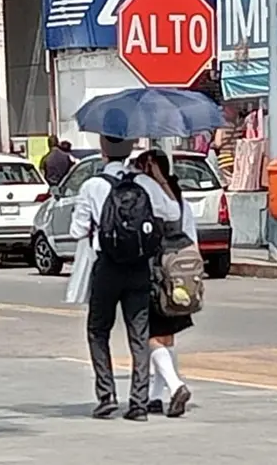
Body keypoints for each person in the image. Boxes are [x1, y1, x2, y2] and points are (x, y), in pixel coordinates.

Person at [70, 135, 181, 421]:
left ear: (103, 151)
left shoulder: (92, 185)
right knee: (139, 335)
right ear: (130, 149)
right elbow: (172, 212)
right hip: (139, 267)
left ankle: (106, 397)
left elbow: (76, 230)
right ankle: (139, 403)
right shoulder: (143, 183)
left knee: (98, 331)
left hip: (106, 267)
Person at [135, 149, 194, 418]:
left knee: (149, 334)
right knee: (166, 337)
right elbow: (191, 238)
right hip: (179, 275)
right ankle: (156, 397)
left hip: (155, 271)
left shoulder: (148, 196)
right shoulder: (179, 199)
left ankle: (175, 385)